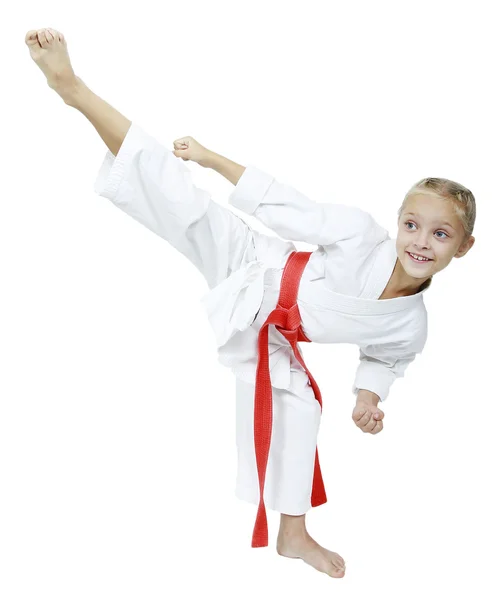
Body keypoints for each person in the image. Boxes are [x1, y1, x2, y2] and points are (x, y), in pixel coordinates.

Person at [25, 27, 476, 579]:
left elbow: (385, 358)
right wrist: (214, 159)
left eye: (440, 235)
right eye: (413, 225)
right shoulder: (362, 235)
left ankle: (293, 533)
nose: (419, 242)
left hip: (276, 334)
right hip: (254, 265)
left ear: (463, 247)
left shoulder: (411, 324)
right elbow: (287, 205)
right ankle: (74, 89)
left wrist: (368, 398)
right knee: (178, 197)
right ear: (397, 221)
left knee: (304, 410)